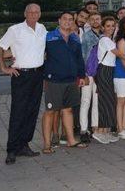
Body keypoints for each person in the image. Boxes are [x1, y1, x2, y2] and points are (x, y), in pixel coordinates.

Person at [0, 3, 47, 164]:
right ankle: (12, 149)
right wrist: (4, 67)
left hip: (38, 74)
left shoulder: (42, 28)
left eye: (36, 12)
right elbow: (0, 46)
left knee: (32, 111)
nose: (33, 14)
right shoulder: (15, 29)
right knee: (18, 112)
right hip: (21, 75)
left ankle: (24, 145)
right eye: (30, 11)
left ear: (39, 14)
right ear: (25, 13)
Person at [41, 11, 87, 154]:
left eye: (70, 20)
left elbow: (79, 59)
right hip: (54, 80)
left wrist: (82, 76)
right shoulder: (48, 37)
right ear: (59, 20)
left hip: (71, 80)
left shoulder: (75, 38)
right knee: (50, 111)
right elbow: (38, 55)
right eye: (65, 19)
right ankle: (47, 144)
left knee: (67, 110)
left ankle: (71, 140)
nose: (67, 22)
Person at [92, 17, 120, 144]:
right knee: (104, 101)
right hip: (104, 71)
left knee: (109, 101)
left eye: (112, 26)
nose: (110, 28)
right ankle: (99, 132)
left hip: (109, 71)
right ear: (103, 27)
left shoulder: (109, 40)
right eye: (108, 26)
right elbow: (120, 54)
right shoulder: (104, 39)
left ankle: (105, 131)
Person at [79, 12, 101, 143]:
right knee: (86, 101)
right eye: (92, 19)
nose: (95, 21)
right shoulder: (86, 36)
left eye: (97, 18)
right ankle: (83, 129)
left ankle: (95, 127)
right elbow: (82, 56)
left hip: (100, 74)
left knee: (97, 102)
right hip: (89, 73)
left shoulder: (105, 35)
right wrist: (83, 74)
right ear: (89, 21)